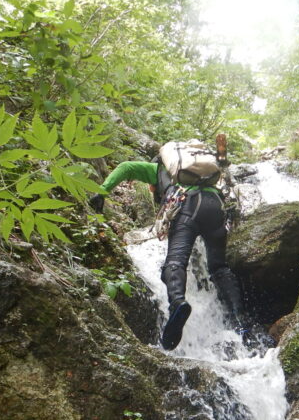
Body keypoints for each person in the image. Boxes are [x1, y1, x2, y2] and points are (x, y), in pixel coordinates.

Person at [90, 142, 246, 351]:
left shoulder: (158, 169)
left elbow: (125, 167)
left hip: (187, 205)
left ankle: (178, 304)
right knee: (219, 268)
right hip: (216, 207)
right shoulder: (206, 174)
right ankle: (240, 320)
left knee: (175, 262)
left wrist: (101, 192)